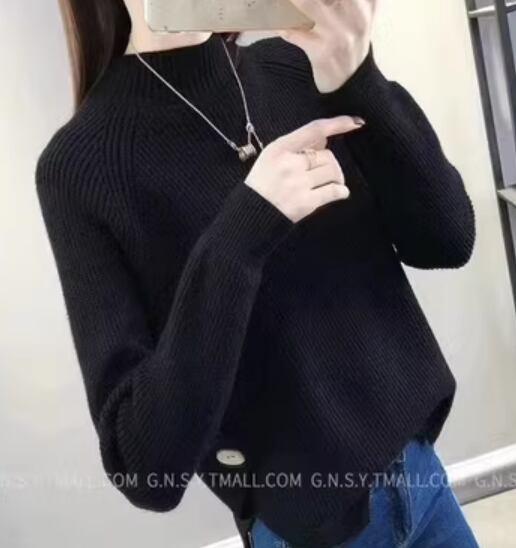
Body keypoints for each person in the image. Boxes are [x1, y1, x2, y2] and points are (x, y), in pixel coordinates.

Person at [36, 0, 479, 546]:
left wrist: (359, 77)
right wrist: (244, 228)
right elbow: (144, 468)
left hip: (425, 482)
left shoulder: (294, 65)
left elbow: (448, 240)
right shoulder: (80, 168)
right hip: (308, 532)